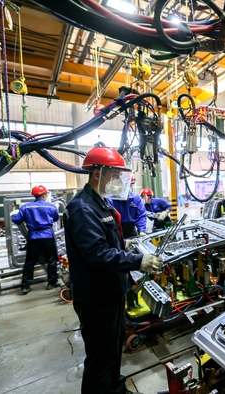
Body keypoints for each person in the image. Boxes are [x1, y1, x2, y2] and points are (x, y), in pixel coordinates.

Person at [64, 146, 162, 394]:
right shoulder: (83, 208)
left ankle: (116, 390)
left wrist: (124, 244)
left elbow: (106, 242)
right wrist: (137, 261)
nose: (119, 180)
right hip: (96, 297)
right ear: (98, 173)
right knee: (100, 357)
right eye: (116, 174)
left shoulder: (100, 203)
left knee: (113, 347)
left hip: (110, 292)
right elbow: (96, 253)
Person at [11, 185, 61, 294]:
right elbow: (56, 218)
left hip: (33, 237)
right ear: (44, 195)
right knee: (52, 260)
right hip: (48, 236)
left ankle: (25, 286)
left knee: (30, 262)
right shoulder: (51, 207)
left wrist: (13, 215)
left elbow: (17, 220)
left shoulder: (26, 207)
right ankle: (51, 282)